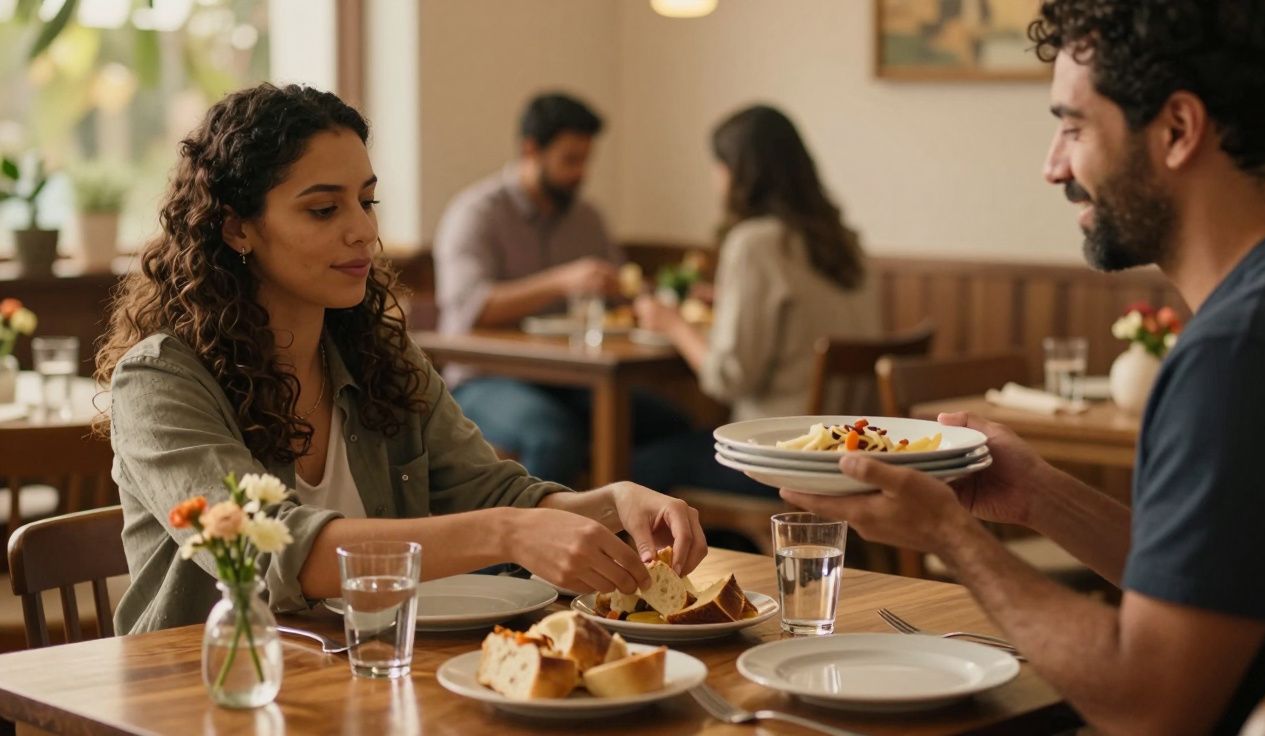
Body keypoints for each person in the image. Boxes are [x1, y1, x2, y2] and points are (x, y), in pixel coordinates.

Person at [779, 1, 1265, 732]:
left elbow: (1149, 702)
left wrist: (950, 537)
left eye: (1072, 126)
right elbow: (1210, 586)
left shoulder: (1238, 352)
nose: (1052, 166)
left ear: (1178, 130)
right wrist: (1041, 497)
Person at [96, 84, 706, 635]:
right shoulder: (159, 380)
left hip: (369, 675)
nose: (364, 230)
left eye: (367, 200)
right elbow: (272, 551)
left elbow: (492, 491)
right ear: (236, 229)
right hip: (201, 696)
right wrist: (509, 534)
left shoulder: (379, 354)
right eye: (324, 209)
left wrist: (614, 502)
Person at [434, 92, 689, 484]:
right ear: (531, 149)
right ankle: (531, 543)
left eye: (586, 160)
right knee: (554, 436)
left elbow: (624, 287)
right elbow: (470, 309)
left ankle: (624, 531)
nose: (580, 173)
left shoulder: (586, 217)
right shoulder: (477, 213)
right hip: (484, 378)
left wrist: (678, 295)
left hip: (573, 378)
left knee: (671, 423)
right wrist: (562, 281)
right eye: (570, 160)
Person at [630, 105, 882, 498]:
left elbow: (730, 377)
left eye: (718, 167)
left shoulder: (755, 243)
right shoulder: (845, 241)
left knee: (634, 469)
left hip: (778, 456)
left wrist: (672, 324)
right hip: (847, 453)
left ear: (737, 171)